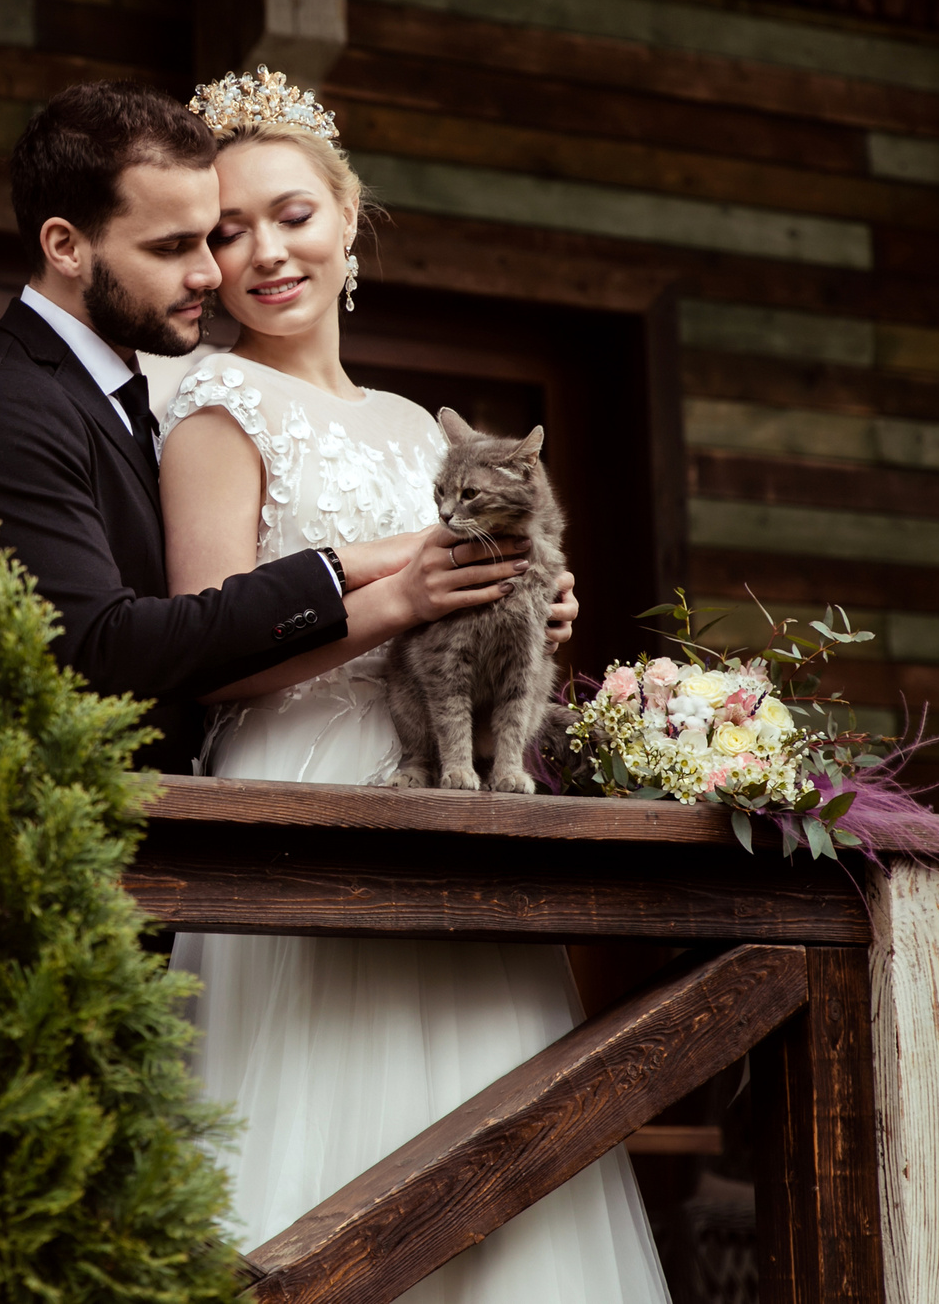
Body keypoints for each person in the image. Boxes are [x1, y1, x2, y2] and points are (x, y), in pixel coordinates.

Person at [162, 68, 666, 1301]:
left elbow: (473, 573)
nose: (265, 252)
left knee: (490, 1133)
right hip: (304, 785)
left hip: (456, 796)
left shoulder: (409, 423)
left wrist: (530, 609)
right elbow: (202, 648)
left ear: (348, 220)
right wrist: (395, 600)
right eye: (227, 233)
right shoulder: (212, 408)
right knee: (328, 1144)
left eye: (291, 214)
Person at [0, 81, 525, 775]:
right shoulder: (1, 409)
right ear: (66, 247)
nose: (209, 270)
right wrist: (384, 573)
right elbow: (99, 649)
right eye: (176, 245)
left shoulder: (113, 399)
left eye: (206, 239)